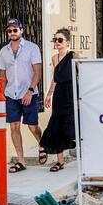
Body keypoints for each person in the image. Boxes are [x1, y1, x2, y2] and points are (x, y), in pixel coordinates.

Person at [0, 18, 43, 173]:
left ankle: (41, 143)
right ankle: (21, 161)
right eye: (9, 30)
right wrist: (0, 94)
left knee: (32, 126)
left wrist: (30, 91)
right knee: (14, 126)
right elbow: (2, 75)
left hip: (28, 92)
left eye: (15, 30)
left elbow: (37, 73)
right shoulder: (4, 51)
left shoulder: (32, 48)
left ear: (21, 30)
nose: (12, 33)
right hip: (11, 94)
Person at [39, 28, 76, 172]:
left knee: (72, 125)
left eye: (60, 40)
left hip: (70, 93)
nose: (57, 42)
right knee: (57, 125)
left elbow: (82, 75)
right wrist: (49, 94)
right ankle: (60, 161)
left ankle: (87, 159)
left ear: (67, 42)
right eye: (55, 39)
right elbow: (55, 78)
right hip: (59, 95)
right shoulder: (54, 58)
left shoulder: (74, 56)